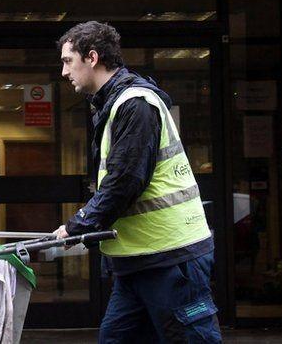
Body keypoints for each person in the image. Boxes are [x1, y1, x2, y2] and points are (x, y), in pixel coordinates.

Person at [51, 21, 221, 343]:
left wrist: (78, 225)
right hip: (138, 261)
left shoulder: (135, 104)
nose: (63, 71)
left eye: (67, 61)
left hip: (171, 257)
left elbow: (125, 181)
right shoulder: (113, 105)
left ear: (91, 57)